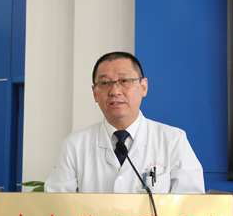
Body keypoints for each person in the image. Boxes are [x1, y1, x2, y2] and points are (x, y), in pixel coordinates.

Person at [44, 51, 205, 194]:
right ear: (94, 93)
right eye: (105, 83)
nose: (114, 91)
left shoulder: (173, 141)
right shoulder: (75, 145)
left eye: (124, 81)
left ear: (143, 87)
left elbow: (190, 205)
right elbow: (58, 205)